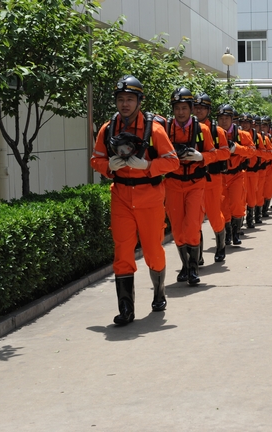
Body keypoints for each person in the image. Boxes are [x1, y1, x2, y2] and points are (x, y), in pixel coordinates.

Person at [90, 75, 179, 325]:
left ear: (140, 101)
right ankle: (126, 309)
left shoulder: (155, 130)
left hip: (149, 196)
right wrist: (108, 166)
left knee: (153, 250)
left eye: (130, 99)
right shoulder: (108, 129)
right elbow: (95, 159)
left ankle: (159, 292)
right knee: (122, 252)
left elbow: (173, 162)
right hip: (121, 195)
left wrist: (148, 166)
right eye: (121, 99)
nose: (125, 104)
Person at [164, 87, 217, 285]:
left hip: (196, 183)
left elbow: (215, 153)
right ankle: (185, 266)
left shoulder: (202, 130)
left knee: (193, 225)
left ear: (191, 108)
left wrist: (201, 156)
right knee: (177, 228)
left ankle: (194, 268)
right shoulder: (166, 129)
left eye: (184, 108)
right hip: (172, 183)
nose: (180, 112)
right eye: (177, 108)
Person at [193, 93, 231, 263]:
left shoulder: (217, 131)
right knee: (195, 217)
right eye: (196, 107)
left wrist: (206, 156)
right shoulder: (188, 129)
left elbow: (225, 153)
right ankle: (197, 254)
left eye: (202, 108)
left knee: (214, 215)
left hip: (212, 179)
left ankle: (220, 244)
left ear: (208, 110)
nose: (198, 111)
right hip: (193, 179)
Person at [218, 104, 255, 244]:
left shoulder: (242, 135)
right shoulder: (214, 133)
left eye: (226, 118)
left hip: (237, 174)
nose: (224, 121)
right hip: (220, 175)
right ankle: (227, 233)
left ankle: (236, 232)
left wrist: (236, 148)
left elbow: (251, 151)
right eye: (221, 118)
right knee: (223, 205)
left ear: (232, 119)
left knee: (237, 204)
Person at [238, 113, 263, 228]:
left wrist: (252, 152)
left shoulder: (257, 137)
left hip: (253, 171)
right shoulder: (237, 135)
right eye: (242, 122)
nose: (244, 125)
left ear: (251, 124)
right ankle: (239, 221)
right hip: (240, 171)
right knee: (240, 196)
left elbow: (264, 152)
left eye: (247, 122)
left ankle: (250, 218)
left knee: (252, 195)